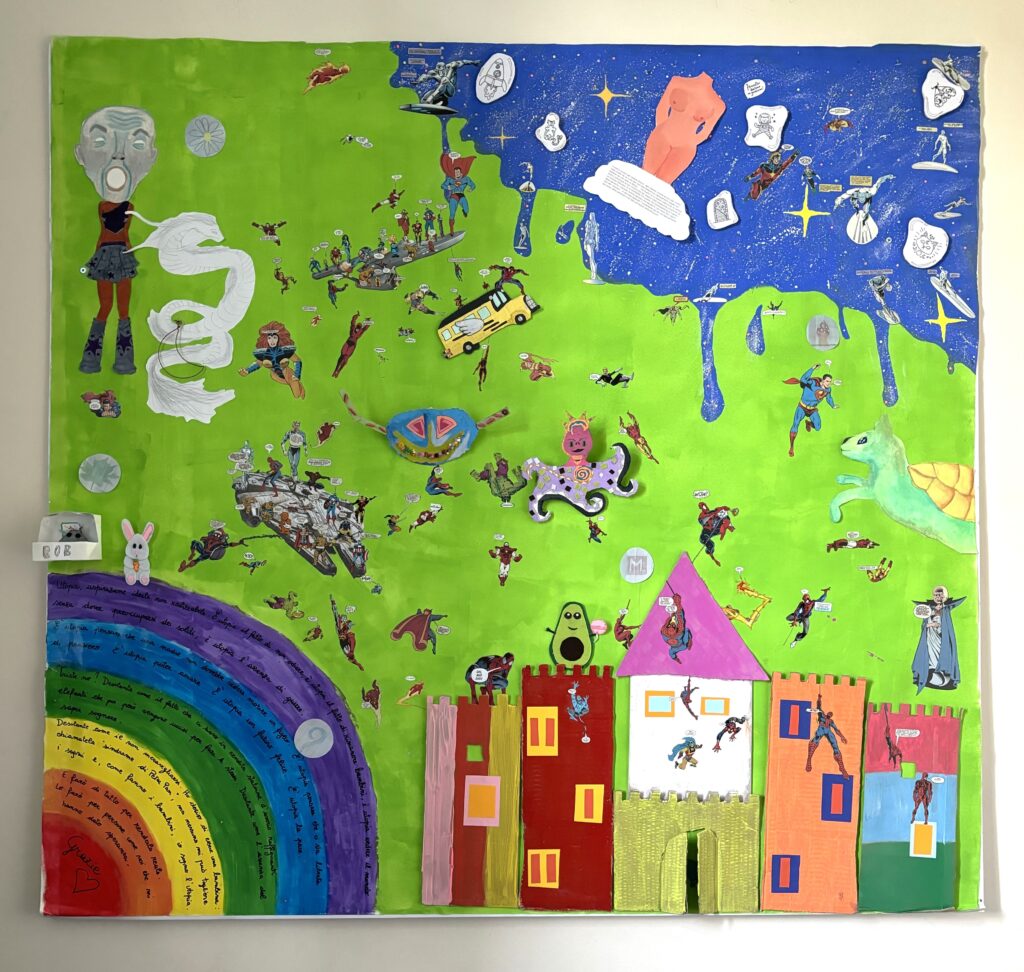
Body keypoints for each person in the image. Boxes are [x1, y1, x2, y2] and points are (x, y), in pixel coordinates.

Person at [76, 106, 159, 374]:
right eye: (100, 141)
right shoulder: (105, 206)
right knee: (107, 306)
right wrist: (93, 262)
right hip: (111, 257)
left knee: (120, 308)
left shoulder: (127, 206)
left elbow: (118, 235)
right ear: (80, 155)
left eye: (137, 145)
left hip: (117, 257)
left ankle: (120, 360)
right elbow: (109, 235)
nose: (118, 156)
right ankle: (92, 359)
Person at [642, 73, 725, 184]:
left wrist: (688, 141)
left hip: (684, 149)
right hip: (662, 135)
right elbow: (661, 109)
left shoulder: (719, 105)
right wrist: (663, 130)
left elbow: (705, 133)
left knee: (662, 184)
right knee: (645, 175)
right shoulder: (677, 81)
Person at [911, 586, 965, 693]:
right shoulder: (929, 609)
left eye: (940, 595)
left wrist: (938, 624)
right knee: (931, 656)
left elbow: (946, 623)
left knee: (942, 653)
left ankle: (942, 675)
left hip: (942, 637)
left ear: (945, 596)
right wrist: (931, 624)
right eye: (936, 595)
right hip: (931, 637)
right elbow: (925, 624)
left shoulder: (946, 609)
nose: (938, 597)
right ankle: (931, 674)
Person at [239, 321, 305, 398]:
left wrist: (297, 374)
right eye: (269, 338)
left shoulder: (285, 350)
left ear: (279, 338)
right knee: (297, 394)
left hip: (287, 373)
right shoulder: (264, 352)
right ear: (266, 339)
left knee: (297, 395)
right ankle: (272, 365)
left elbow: (297, 360)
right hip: (275, 375)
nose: (272, 341)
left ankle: (285, 368)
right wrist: (247, 370)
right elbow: (258, 363)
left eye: (274, 338)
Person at [785, 363, 837, 456]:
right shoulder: (812, 383)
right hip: (802, 407)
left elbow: (829, 398)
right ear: (822, 381)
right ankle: (791, 447)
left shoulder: (828, 390)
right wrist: (812, 368)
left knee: (818, 427)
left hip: (812, 410)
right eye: (827, 381)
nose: (829, 383)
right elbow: (803, 379)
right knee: (795, 424)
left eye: (830, 382)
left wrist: (833, 405)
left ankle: (809, 423)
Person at [806, 691, 850, 777]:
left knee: (835, 744)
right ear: (827, 714)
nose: (829, 715)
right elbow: (818, 707)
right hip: (821, 729)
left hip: (828, 731)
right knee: (815, 740)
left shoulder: (831, 721)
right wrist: (819, 698)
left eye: (831, 714)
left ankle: (841, 766)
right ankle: (809, 759)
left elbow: (836, 730)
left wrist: (842, 737)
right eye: (829, 713)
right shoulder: (821, 715)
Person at [440, 154, 476, 235]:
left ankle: (464, 211)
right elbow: (442, 186)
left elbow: (473, 185)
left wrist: (471, 189)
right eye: (455, 172)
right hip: (454, 196)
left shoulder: (465, 179)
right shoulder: (450, 179)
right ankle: (451, 230)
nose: (456, 174)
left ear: (461, 172)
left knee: (466, 209)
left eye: (458, 172)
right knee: (452, 213)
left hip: (461, 195)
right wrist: (449, 187)